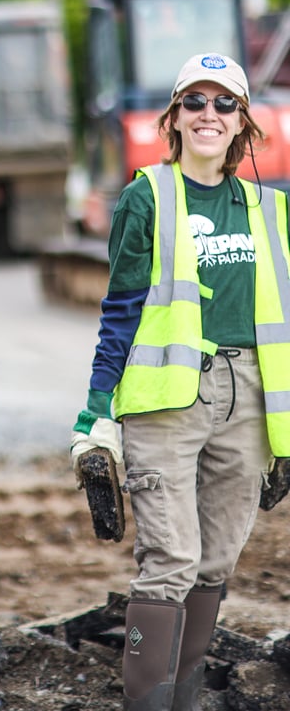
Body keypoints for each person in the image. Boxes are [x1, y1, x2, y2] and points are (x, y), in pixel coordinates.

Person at [69, 52, 290, 711]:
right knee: (170, 561)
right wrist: (94, 413)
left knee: (216, 562)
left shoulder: (270, 209)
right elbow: (121, 311)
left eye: (224, 103)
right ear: (174, 117)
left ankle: (184, 698)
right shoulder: (147, 196)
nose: (208, 115)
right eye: (194, 102)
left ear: (243, 121)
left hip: (250, 401)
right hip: (166, 400)